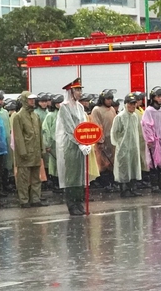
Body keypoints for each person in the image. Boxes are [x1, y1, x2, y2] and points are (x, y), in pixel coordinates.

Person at [55, 78, 91, 216]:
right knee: (71, 176)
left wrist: (87, 142)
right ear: (71, 91)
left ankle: (79, 202)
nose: (80, 92)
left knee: (80, 175)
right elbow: (70, 128)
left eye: (80, 89)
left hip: (81, 145)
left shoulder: (80, 107)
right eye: (77, 90)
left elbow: (83, 125)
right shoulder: (64, 107)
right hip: (70, 145)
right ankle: (72, 205)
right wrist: (79, 143)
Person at [12, 91, 45, 208]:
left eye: (33, 99)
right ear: (25, 100)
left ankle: (35, 199)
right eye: (30, 99)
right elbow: (18, 136)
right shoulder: (18, 116)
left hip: (35, 152)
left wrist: (42, 148)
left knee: (36, 178)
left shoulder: (36, 116)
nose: (33, 101)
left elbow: (40, 134)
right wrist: (22, 152)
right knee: (23, 179)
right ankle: (24, 200)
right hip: (25, 153)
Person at [111, 93, 147, 198]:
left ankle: (132, 188)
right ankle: (124, 189)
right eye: (130, 104)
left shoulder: (135, 116)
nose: (132, 106)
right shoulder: (120, 117)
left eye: (134, 104)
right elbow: (115, 133)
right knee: (124, 169)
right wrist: (120, 144)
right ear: (126, 104)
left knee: (133, 167)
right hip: (123, 148)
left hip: (133, 147)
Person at [141, 86, 161, 193]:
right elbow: (147, 126)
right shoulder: (149, 111)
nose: (160, 99)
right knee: (153, 162)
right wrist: (150, 140)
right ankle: (154, 185)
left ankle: (160, 184)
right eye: (158, 96)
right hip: (154, 142)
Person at [90, 89, 118, 191]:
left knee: (112, 162)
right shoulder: (96, 110)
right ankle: (105, 184)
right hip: (102, 141)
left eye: (111, 99)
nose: (110, 101)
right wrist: (100, 141)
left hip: (112, 140)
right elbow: (97, 126)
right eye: (107, 99)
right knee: (103, 163)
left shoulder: (112, 110)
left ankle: (112, 182)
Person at [42, 94, 63, 193]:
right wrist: (47, 145)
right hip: (53, 144)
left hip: (63, 143)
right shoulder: (50, 115)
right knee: (54, 165)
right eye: (58, 103)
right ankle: (55, 184)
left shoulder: (65, 114)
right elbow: (46, 130)